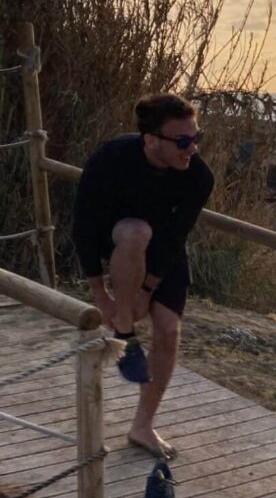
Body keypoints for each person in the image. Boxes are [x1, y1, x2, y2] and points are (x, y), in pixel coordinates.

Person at [73, 94, 214, 460]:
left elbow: (176, 235)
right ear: (151, 139)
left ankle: (143, 425)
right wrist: (101, 295)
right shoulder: (112, 159)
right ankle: (123, 331)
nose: (192, 148)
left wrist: (148, 289)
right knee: (137, 232)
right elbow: (84, 227)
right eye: (183, 141)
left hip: (163, 248)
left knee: (168, 330)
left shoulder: (198, 175)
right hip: (117, 236)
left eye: (196, 138)